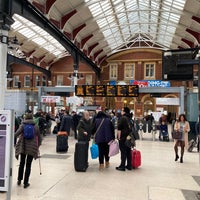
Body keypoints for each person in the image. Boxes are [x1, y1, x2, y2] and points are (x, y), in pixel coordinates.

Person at [14, 112, 40, 188]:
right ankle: (26, 183)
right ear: (32, 118)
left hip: (23, 146)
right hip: (32, 148)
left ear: (25, 118)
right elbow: (39, 138)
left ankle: (19, 180)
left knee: (22, 163)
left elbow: (16, 134)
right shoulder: (36, 126)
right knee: (28, 165)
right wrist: (38, 146)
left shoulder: (22, 125)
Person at [116, 107, 132, 171]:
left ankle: (122, 166)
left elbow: (119, 127)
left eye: (122, 110)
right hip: (129, 137)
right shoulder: (130, 118)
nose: (121, 112)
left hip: (123, 137)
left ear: (125, 112)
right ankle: (129, 165)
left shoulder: (123, 118)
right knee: (128, 151)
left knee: (123, 152)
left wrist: (118, 137)